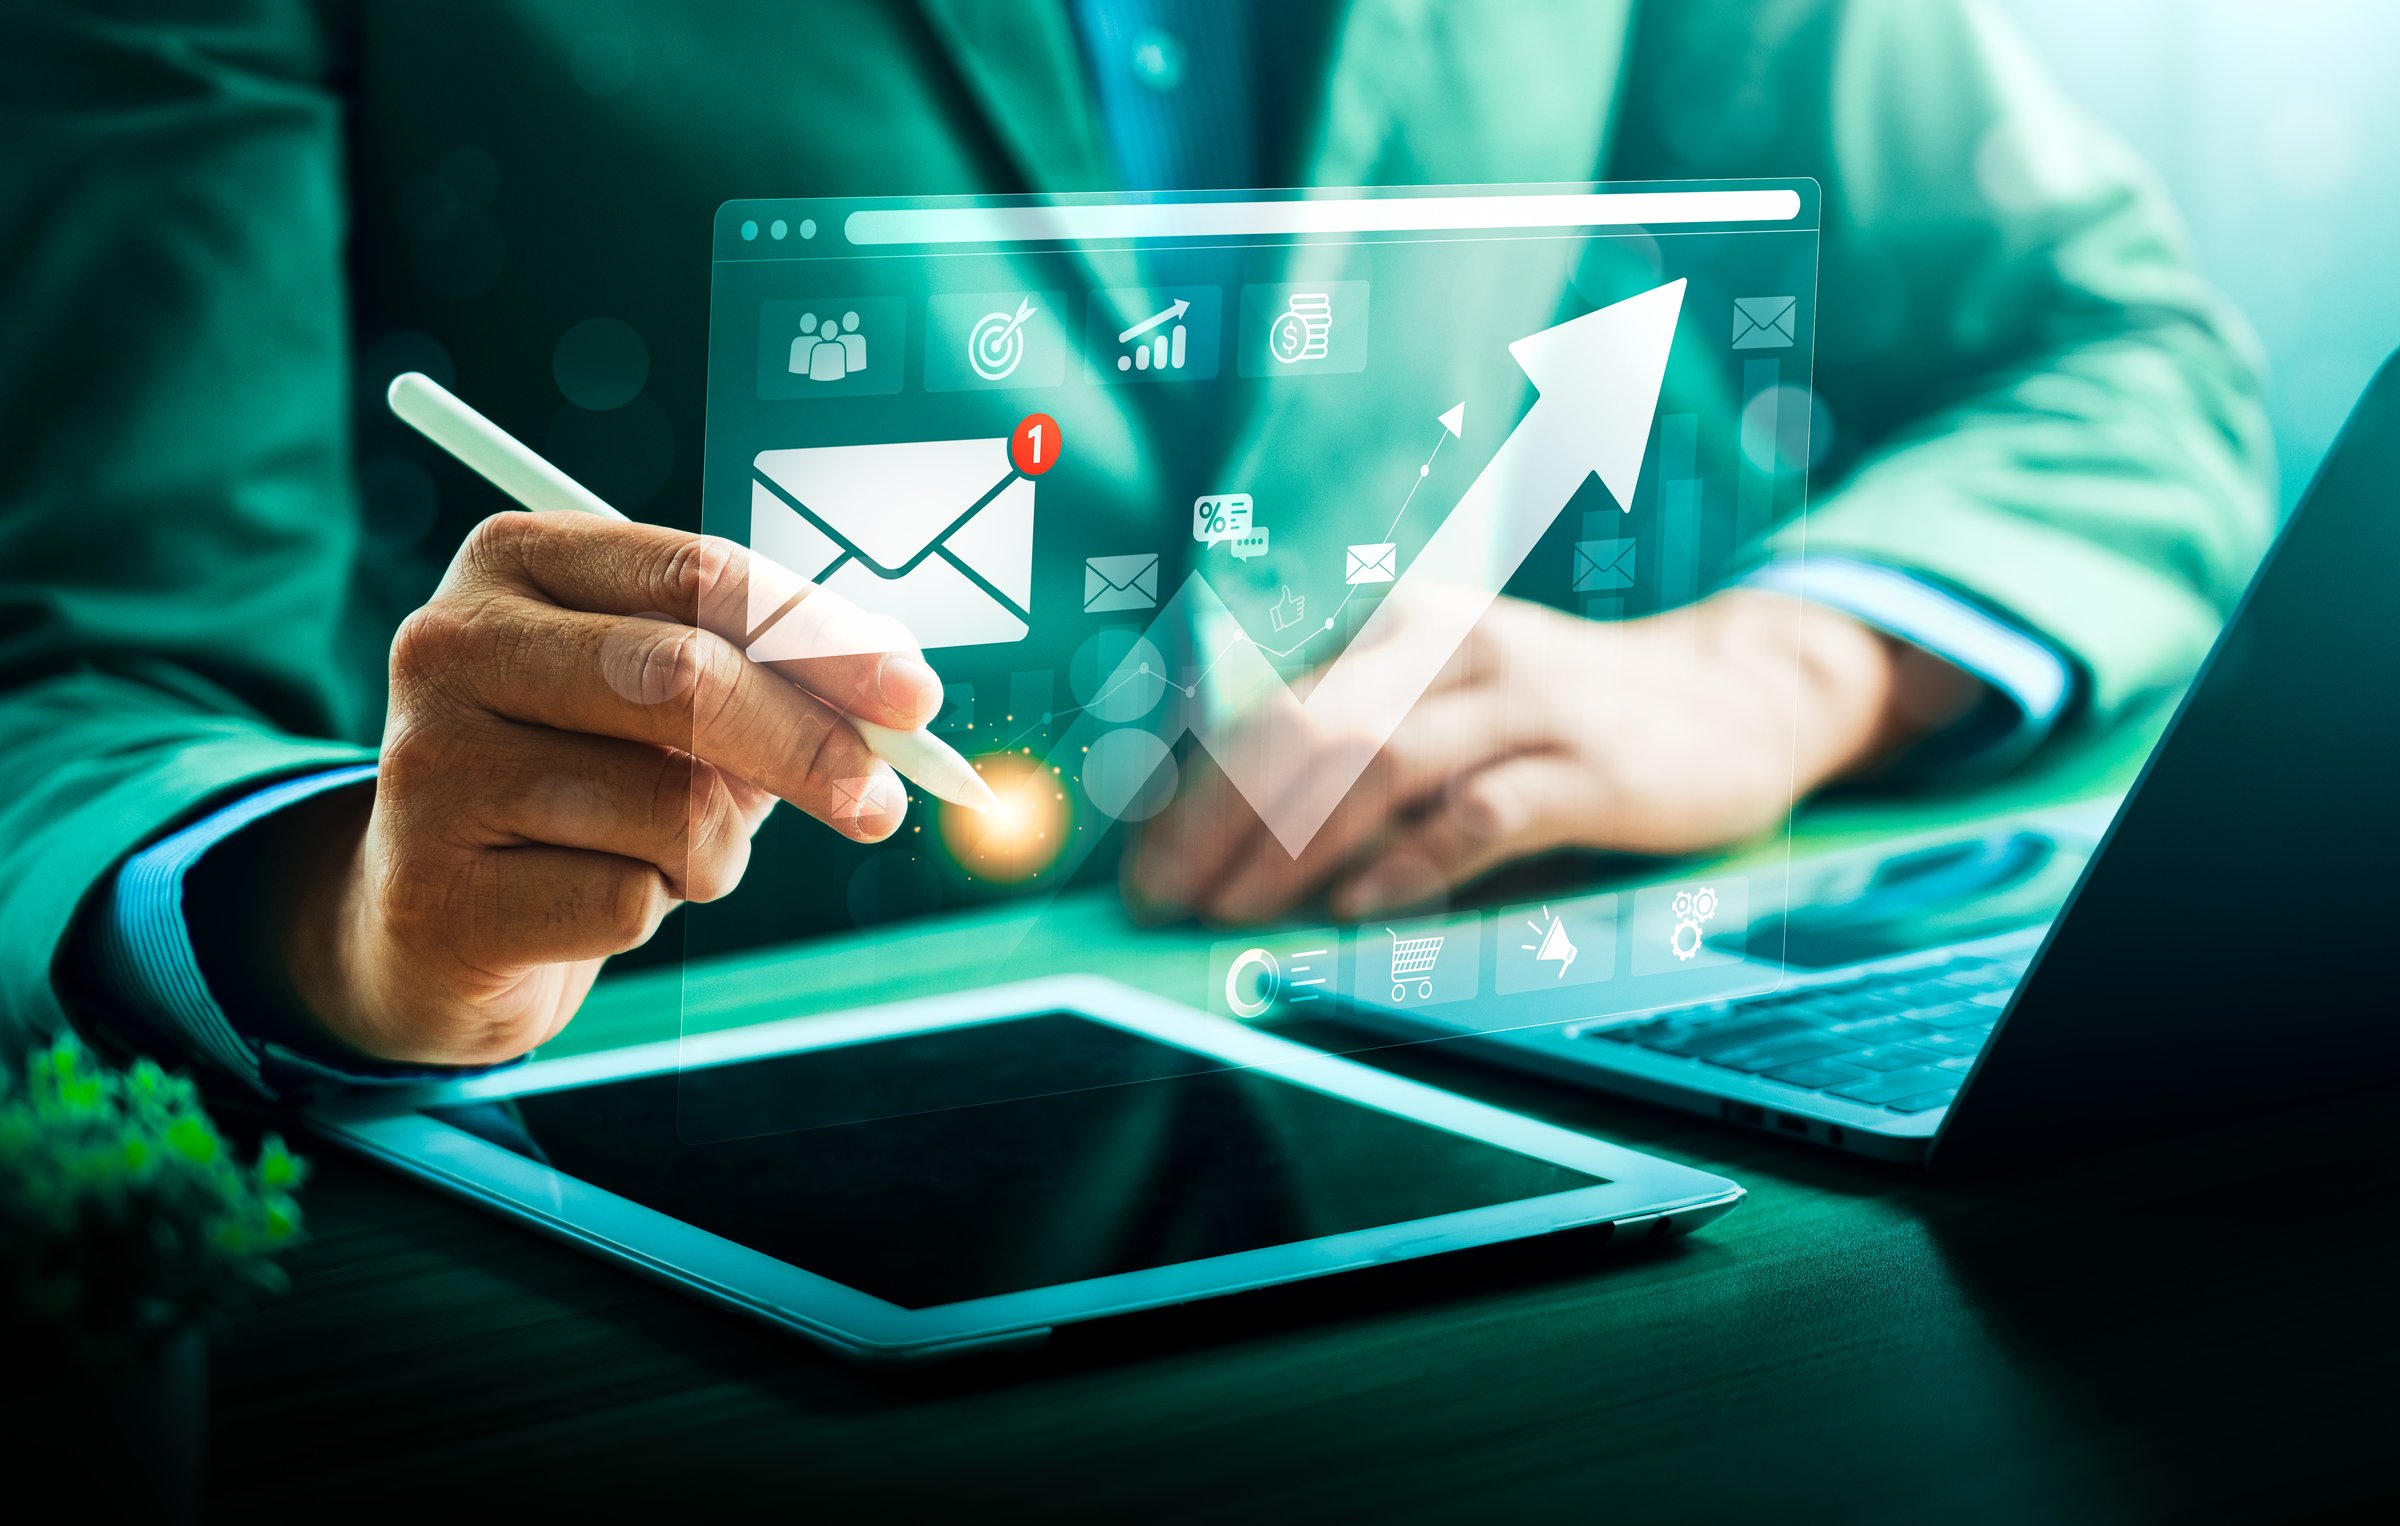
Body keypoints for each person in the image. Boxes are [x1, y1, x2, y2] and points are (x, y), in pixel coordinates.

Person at [0, 0, 2270, 1091]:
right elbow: (74, 686)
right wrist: (381, 923)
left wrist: (1771, 673)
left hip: (1412, 1102)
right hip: (623, 1229)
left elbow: (2122, 360)